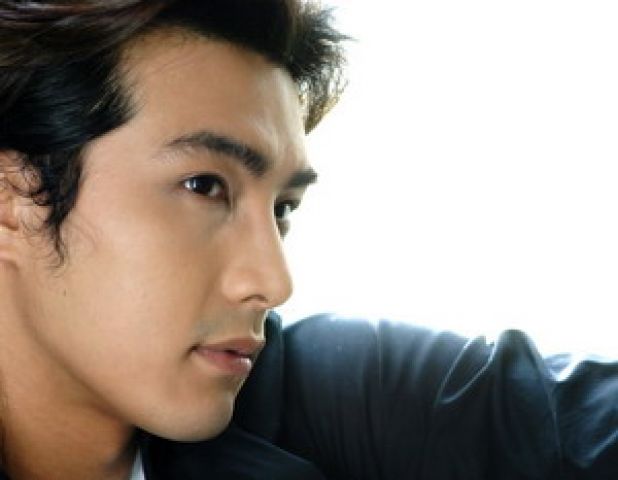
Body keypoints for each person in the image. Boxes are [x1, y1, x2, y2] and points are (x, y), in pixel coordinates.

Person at [0, 1, 615, 479]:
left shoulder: (332, 399)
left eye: (283, 208)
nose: (273, 282)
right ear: (13, 195)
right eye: (204, 186)